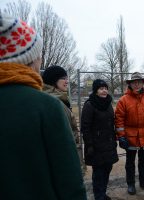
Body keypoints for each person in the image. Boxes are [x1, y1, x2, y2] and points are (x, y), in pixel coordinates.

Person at [0, 13, 86, 200]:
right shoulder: (46, 106)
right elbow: (69, 182)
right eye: (38, 54)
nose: (40, 60)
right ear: (29, 58)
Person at [115, 72, 144, 195]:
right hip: (130, 137)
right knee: (130, 163)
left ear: (142, 83)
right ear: (130, 84)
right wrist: (121, 136)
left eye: (139, 82)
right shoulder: (123, 100)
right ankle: (130, 184)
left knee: (143, 161)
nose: (137, 84)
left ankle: (143, 182)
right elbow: (119, 120)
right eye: (134, 82)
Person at [81, 79, 119, 200]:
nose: (104, 91)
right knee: (98, 173)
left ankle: (103, 193)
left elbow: (112, 123)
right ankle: (99, 196)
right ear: (96, 90)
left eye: (106, 88)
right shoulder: (89, 105)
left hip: (108, 144)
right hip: (96, 146)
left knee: (108, 169)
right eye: (101, 88)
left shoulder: (108, 104)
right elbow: (85, 127)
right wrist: (89, 145)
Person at [42, 65, 79, 142]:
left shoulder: (60, 99)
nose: (67, 81)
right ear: (53, 80)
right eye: (63, 78)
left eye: (67, 78)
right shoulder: (52, 102)